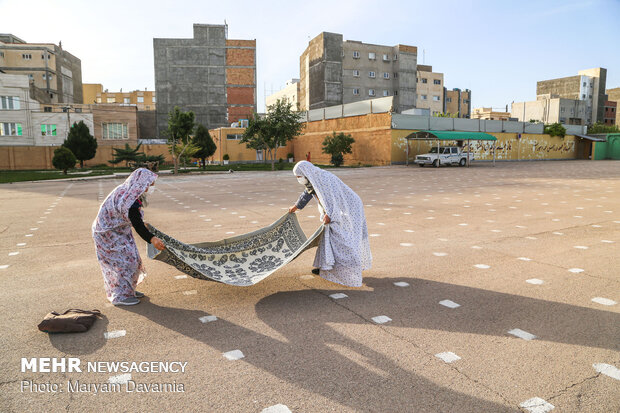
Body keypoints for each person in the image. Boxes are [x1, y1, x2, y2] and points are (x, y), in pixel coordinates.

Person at [288, 161, 371, 287]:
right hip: (339, 209)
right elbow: (307, 194)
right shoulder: (313, 180)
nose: (299, 179)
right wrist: (296, 207)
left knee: (342, 239)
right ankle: (326, 266)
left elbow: (333, 197)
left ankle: (354, 267)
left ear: (305, 173)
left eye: (299, 177)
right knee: (328, 235)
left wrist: (330, 214)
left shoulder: (324, 178)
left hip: (351, 207)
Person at [92, 168, 165, 306]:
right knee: (123, 263)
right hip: (107, 234)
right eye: (150, 185)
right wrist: (152, 239)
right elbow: (137, 225)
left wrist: (142, 223)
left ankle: (127, 290)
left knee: (132, 259)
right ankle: (120, 296)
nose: (152, 188)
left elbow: (131, 218)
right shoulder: (130, 201)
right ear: (141, 184)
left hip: (117, 231)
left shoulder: (129, 192)